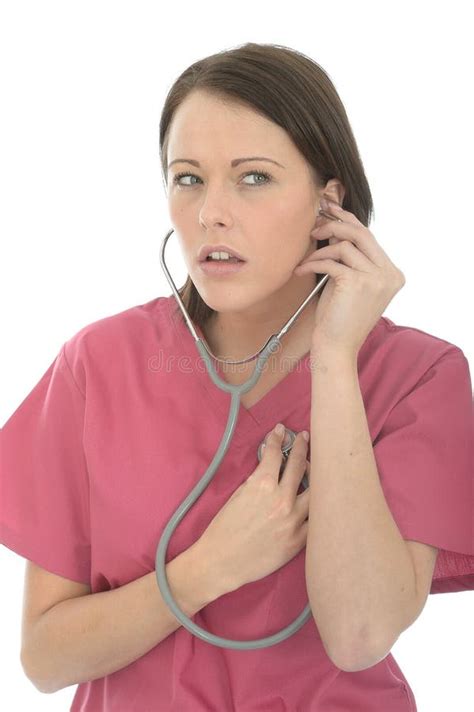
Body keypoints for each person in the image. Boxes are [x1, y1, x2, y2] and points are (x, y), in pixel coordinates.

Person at [1, 42, 473, 712]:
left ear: (327, 204)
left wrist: (335, 361)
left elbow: (360, 634)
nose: (210, 213)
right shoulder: (99, 363)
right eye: (188, 177)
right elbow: (44, 659)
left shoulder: (419, 376)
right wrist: (206, 570)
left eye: (253, 177)